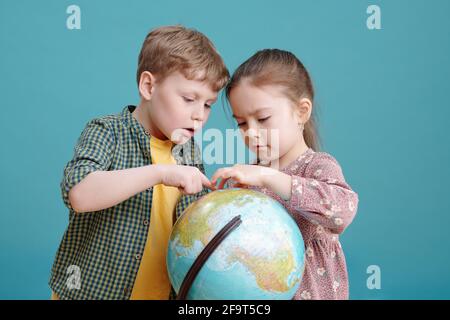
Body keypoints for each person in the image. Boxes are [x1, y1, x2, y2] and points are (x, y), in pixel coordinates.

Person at [49, 25, 229, 300]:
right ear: (148, 86)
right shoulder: (107, 131)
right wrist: (160, 173)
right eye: (189, 99)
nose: (199, 115)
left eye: (208, 104)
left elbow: (194, 230)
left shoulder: (188, 152)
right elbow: (79, 194)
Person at [211, 49, 358, 300]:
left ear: (301, 111)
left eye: (263, 118)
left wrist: (270, 177)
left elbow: (342, 211)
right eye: (242, 123)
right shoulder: (250, 178)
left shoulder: (317, 166)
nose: (251, 133)